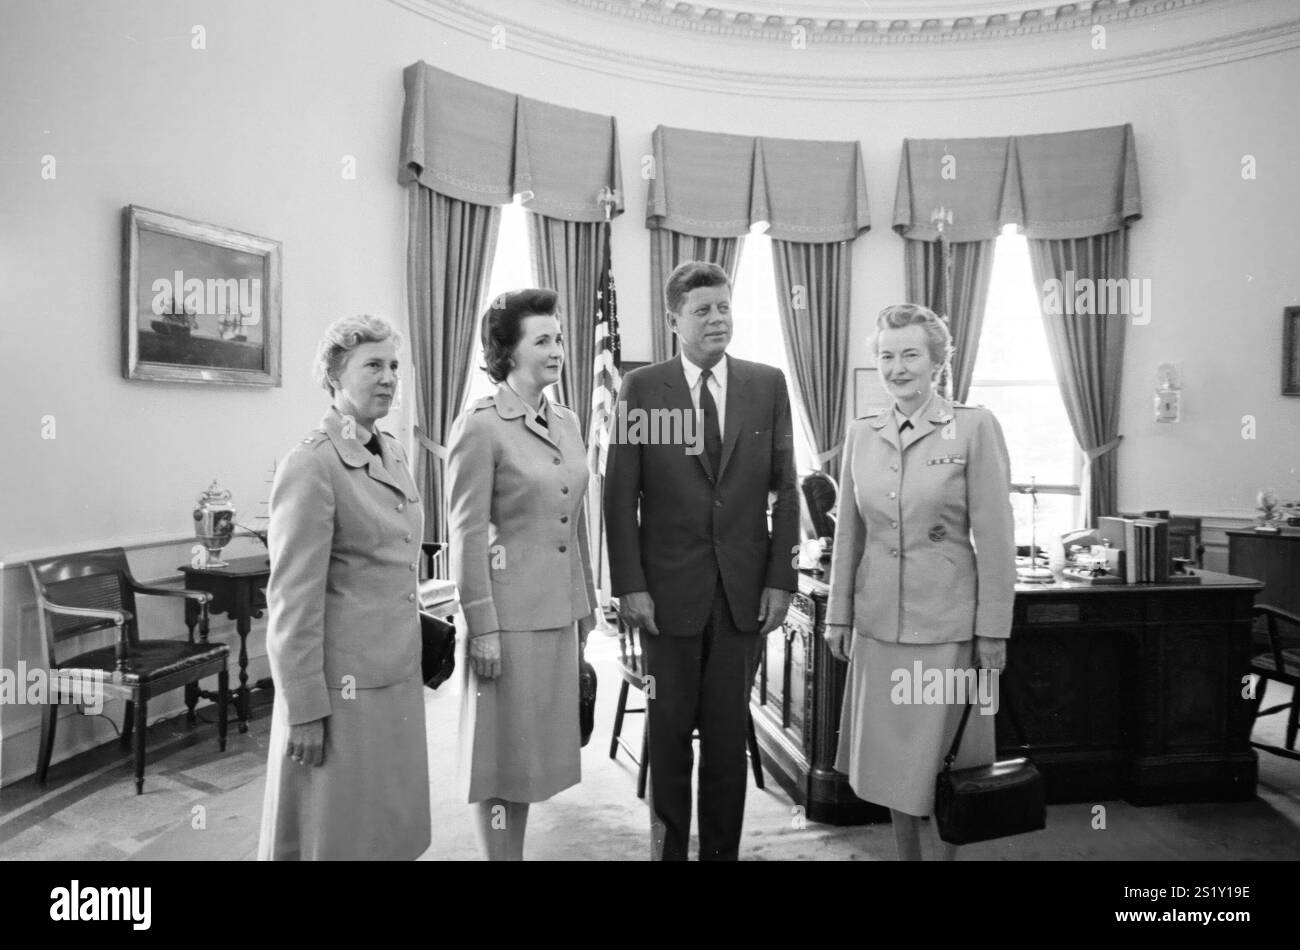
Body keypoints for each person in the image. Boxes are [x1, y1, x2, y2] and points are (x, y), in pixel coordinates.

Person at [604, 260, 799, 861]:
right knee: (667, 744)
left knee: (725, 744)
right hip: (664, 600)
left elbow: (787, 490)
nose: (717, 319)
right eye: (702, 310)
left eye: (724, 307)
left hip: (743, 598)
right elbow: (619, 498)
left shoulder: (767, 385)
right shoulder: (642, 389)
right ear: (674, 321)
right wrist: (630, 586)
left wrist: (781, 580)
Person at [823, 303, 1016, 861]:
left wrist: (993, 630)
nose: (897, 367)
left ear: (938, 361)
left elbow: (996, 539)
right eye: (887, 355)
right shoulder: (862, 434)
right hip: (880, 626)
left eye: (910, 354)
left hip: (948, 627)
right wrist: (840, 613)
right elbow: (849, 538)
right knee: (892, 766)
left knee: (942, 763)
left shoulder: (974, 426)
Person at [258, 314, 430, 861]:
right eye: (373, 365)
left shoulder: (392, 451)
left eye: (394, 366)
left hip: (396, 675)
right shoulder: (312, 464)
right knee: (337, 837)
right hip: (341, 690)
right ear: (335, 375)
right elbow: (292, 602)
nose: (388, 378)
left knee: (387, 830)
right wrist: (304, 707)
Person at [447, 288, 598, 862]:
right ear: (508, 352)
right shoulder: (480, 426)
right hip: (507, 623)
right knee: (500, 760)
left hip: (557, 614)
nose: (557, 349)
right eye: (543, 340)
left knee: (532, 759)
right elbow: (467, 532)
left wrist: (583, 608)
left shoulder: (567, 419)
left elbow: (574, 519)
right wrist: (481, 626)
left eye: (558, 338)